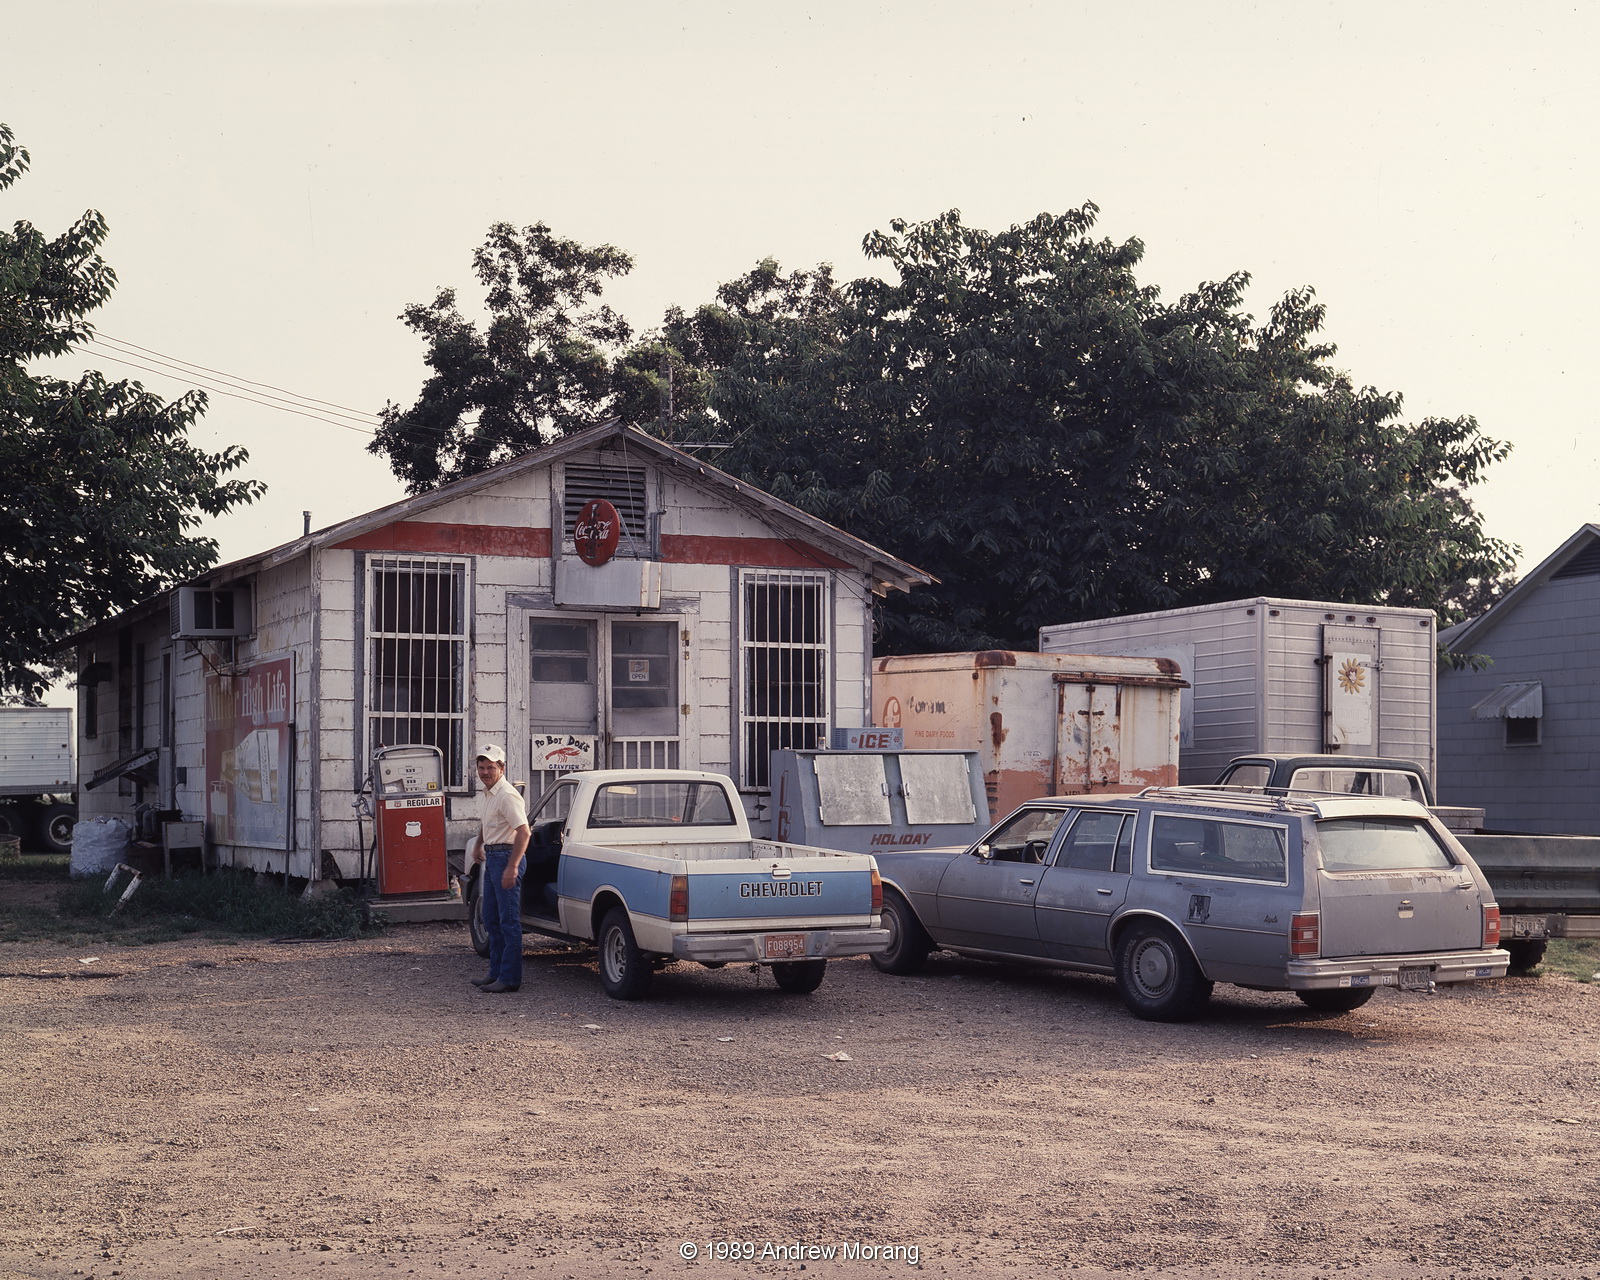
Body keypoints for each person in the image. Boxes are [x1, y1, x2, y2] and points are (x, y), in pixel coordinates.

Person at [469, 744, 530, 993]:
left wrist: (512, 867)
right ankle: (495, 973)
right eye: (482, 767)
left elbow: (524, 833)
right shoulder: (488, 793)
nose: (485, 772)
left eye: (491, 767)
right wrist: (478, 844)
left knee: (508, 921)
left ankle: (510, 978)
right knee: (491, 919)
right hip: (493, 857)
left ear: (501, 768)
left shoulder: (507, 795)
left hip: (506, 857)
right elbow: (488, 823)